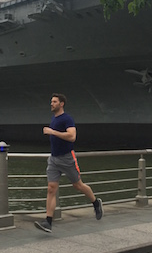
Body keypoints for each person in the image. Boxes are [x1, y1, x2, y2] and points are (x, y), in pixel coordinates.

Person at [35, 93, 103, 233]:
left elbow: (72, 137)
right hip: (54, 159)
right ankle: (48, 221)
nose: (51, 104)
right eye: (51, 101)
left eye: (54, 101)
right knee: (51, 188)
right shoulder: (54, 119)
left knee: (78, 185)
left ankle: (96, 202)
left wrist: (53, 132)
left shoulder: (67, 119)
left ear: (61, 104)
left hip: (67, 158)